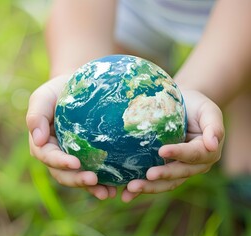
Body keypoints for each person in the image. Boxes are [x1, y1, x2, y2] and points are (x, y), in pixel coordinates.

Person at [26, 0, 251, 202]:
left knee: (244, 163)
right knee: (119, 73)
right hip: (138, 10)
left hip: (238, 21)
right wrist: (74, 74)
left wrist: (192, 91)